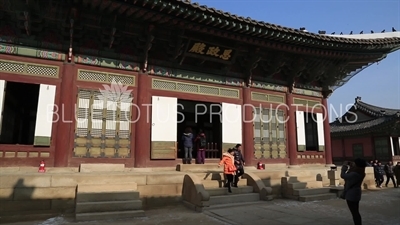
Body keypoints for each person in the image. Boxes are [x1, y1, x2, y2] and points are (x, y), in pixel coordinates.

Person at [340, 158, 367, 225]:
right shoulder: (361, 172)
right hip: (356, 193)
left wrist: (344, 166)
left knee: (354, 212)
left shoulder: (355, 174)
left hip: (351, 194)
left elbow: (343, 175)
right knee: (356, 211)